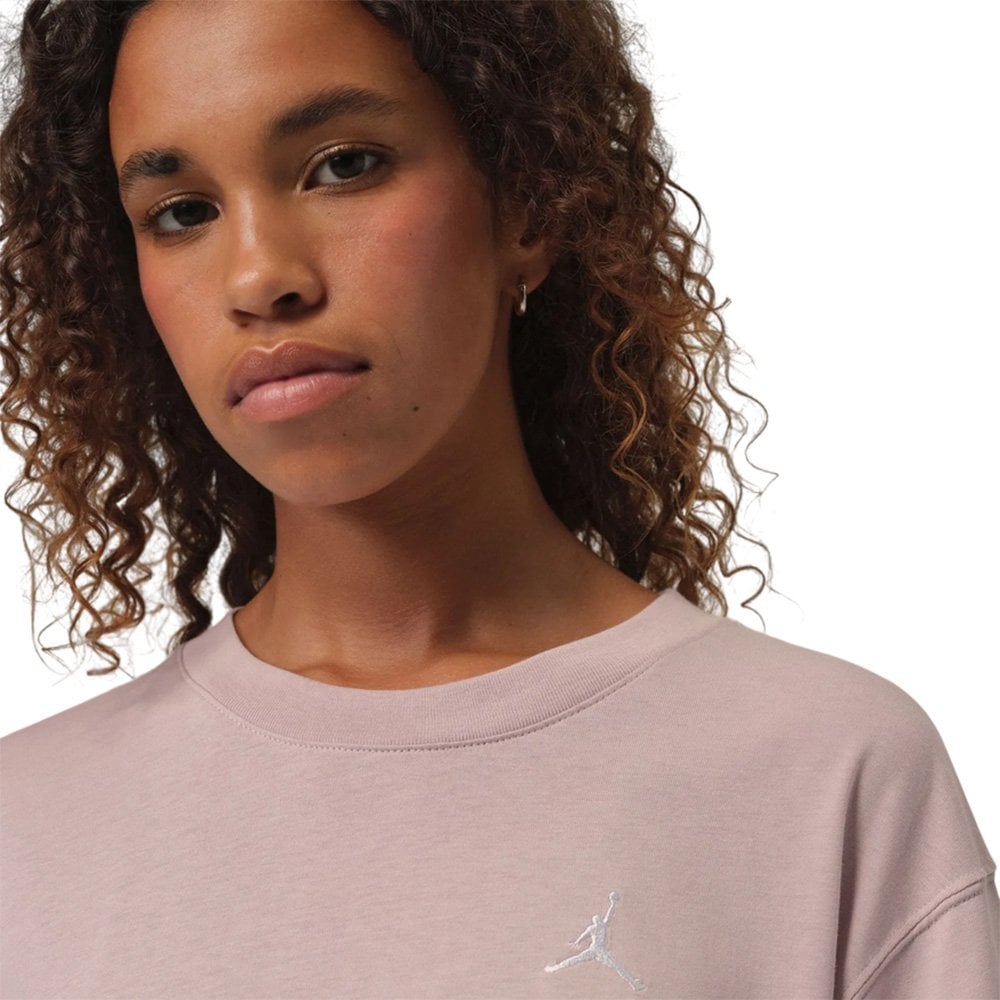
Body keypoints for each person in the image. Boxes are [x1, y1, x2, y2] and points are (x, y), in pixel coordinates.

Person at [0, 1, 995, 997]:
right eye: (182, 213)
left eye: (344, 164)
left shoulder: (827, 775)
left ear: (526, 202)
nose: (261, 275)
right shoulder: (28, 836)